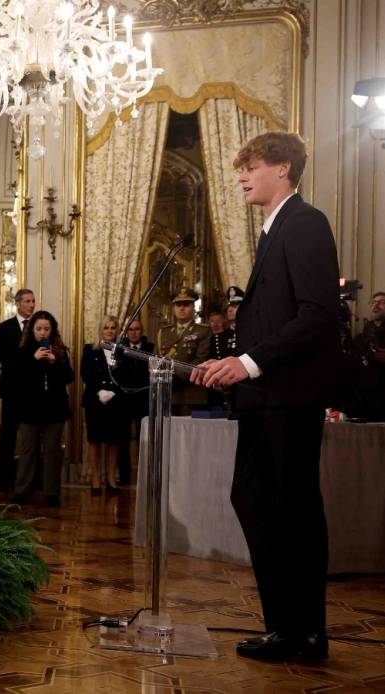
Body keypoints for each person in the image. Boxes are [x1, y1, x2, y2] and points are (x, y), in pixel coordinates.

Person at [192, 132, 340, 662]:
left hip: (289, 396)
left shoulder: (306, 223)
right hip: (264, 395)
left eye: (251, 166)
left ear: (283, 168)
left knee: (292, 509)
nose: (241, 176)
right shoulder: (274, 230)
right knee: (255, 499)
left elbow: (318, 314)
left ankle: (306, 633)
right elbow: (275, 318)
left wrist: (248, 362)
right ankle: (286, 628)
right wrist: (230, 363)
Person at [12, 310, 73, 507]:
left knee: (52, 451)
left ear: (52, 330)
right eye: (39, 329)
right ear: (32, 330)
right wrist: (34, 360)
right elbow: (17, 378)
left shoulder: (60, 351)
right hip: (29, 409)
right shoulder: (23, 351)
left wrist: (54, 363)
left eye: (46, 329)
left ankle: (52, 492)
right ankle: (22, 490)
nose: (43, 333)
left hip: (54, 409)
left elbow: (69, 377)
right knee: (28, 449)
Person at [0, 289, 36, 487]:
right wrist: (30, 360)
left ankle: (31, 480)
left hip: (33, 391)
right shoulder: (4, 328)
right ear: (18, 303)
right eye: (27, 301)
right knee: (8, 435)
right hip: (12, 389)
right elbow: (6, 359)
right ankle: (4, 479)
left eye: (33, 301)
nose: (31, 305)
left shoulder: (39, 326)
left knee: (32, 437)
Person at [81, 317, 122, 493]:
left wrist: (112, 392)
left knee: (114, 441)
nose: (109, 331)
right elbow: (85, 373)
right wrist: (99, 391)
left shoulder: (122, 350)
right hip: (94, 400)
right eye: (106, 327)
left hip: (116, 401)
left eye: (113, 328)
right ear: (100, 330)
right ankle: (96, 477)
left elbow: (125, 374)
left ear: (117, 330)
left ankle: (111, 477)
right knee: (95, 440)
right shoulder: (90, 349)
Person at [157, 287, 211, 414]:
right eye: (178, 305)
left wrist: (174, 374)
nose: (182, 308)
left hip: (192, 395)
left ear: (193, 307)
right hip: (168, 394)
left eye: (186, 305)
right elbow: (156, 359)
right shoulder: (163, 332)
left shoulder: (203, 331)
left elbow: (201, 360)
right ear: (173, 308)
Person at [115, 318, 153, 485]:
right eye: (130, 329)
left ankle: (144, 475)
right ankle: (124, 475)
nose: (133, 332)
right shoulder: (119, 348)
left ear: (142, 331)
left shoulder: (150, 348)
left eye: (137, 329)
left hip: (144, 399)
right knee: (122, 439)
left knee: (143, 438)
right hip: (124, 400)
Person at [352, 291, 385, 420]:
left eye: (382, 302)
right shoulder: (360, 339)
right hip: (365, 400)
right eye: (373, 302)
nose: (376, 305)